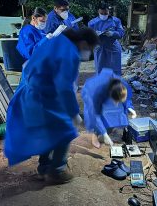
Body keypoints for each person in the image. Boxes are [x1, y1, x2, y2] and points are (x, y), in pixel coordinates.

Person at [5, 27, 99, 184]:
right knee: (65, 130)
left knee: (48, 132)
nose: (88, 53)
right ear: (83, 43)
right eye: (89, 49)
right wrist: (74, 112)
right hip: (43, 97)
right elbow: (64, 88)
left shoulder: (57, 41)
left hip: (31, 93)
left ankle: (44, 169)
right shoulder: (70, 53)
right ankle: (56, 171)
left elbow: (30, 66)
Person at [82, 68, 136, 148]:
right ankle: (95, 135)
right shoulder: (95, 92)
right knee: (98, 115)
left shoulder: (121, 83)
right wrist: (104, 134)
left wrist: (130, 108)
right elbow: (95, 114)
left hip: (107, 91)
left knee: (116, 113)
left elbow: (127, 98)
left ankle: (108, 129)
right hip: (90, 93)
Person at [88, 3, 125, 76]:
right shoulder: (92, 23)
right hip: (99, 47)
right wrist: (94, 34)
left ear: (109, 11)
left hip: (113, 47)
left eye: (105, 13)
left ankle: (115, 85)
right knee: (100, 69)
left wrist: (113, 33)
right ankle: (102, 86)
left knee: (115, 69)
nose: (103, 15)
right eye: (101, 13)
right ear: (98, 11)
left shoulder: (116, 21)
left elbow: (121, 33)